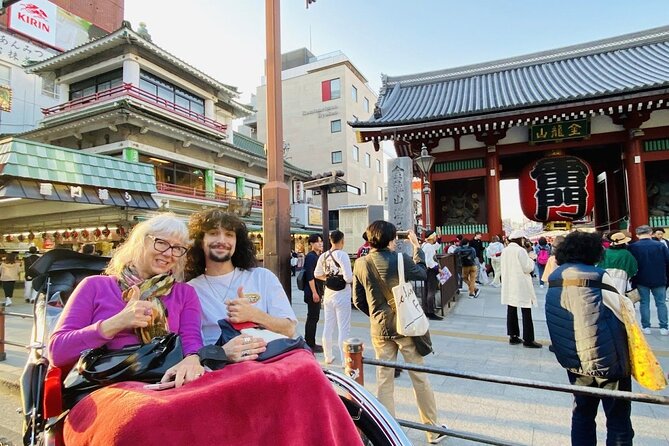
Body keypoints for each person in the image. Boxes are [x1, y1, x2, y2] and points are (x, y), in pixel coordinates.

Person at [49, 213, 205, 388]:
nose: (169, 253)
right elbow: (58, 352)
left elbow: (191, 341)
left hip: (162, 384)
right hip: (105, 386)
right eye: (161, 243)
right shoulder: (95, 286)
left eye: (177, 248)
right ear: (140, 242)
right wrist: (118, 322)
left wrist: (193, 358)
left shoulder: (184, 293)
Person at [353, 221, 447, 444]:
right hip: (406, 327)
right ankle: (432, 430)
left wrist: (376, 315)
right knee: (419, 377)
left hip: (380, 329)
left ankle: (387, 432)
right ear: (390, 239)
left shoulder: (360, 263)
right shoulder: (400, 260)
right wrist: (417, 248)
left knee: (384, 380)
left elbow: (357, 300)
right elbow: (423, 273)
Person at [545, 231, 634, 445]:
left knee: (582, 413)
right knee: (617, 416)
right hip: (606, 357)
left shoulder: (555, 277)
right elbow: (624, 310)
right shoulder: (597, 275)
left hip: (573, 357)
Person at [186, 209, 297, 353]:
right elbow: (191, 346)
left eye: (229, 235)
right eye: (213, 233)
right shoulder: (189, 290)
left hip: (267, 364)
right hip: (219, 370)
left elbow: (289, 330)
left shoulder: (262, 277)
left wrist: (255, 315)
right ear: (201, 241)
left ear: (237, 242)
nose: (222, 240)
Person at [314, 230, 353, 366]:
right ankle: (344, 360)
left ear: (330, 241)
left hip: (328, 293)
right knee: (343, 328)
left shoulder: (323, 256)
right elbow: (348, 278)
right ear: (342, 241)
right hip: (342, 294)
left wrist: (329, 278)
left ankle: (328, 356)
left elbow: (317, 273)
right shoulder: (343, 255)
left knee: (328, 326)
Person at [500, 230, 541, 348]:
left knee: (511, 309)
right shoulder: (520, 251)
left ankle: (513, 336)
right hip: (521, 283)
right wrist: (532, 259)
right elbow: (527, 268)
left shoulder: (505, 250)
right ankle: (528, 339)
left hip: (509, 283)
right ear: (520, 239)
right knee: (526, 310)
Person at [628, 225, 669, 335]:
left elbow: (631, 264)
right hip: (659, 277)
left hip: (641, 278)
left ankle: (646, 326)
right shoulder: (660, 245)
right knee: (661, 303)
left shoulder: (632, 247)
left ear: (637, 234)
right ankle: (664, 327)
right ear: (651, 233)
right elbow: (667, 261)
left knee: (644, 303)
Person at [303, 233, 324, 353]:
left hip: (316, 290)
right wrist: (314, 292)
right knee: (312, 317)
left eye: (321, 241)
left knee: (313, 317)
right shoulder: (311, 257)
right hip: (312, 291)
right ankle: (310, 343)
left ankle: (311, 342)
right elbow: (310, 276)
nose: (320, 243)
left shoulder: (317, 256)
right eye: (317, 241)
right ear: (311, 244)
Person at [421, 231, 443, 320]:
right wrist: (437, 269)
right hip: (431, 271)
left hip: (426, 270)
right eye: (434, 237)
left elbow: (436, 246)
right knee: (431, 291)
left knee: (427, 290)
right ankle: (431, 312)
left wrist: (439, 238)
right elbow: (429, 261)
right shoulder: (428, 247)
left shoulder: (425, 245)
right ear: (431, 237)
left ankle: (427, 310)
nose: (435, 238)